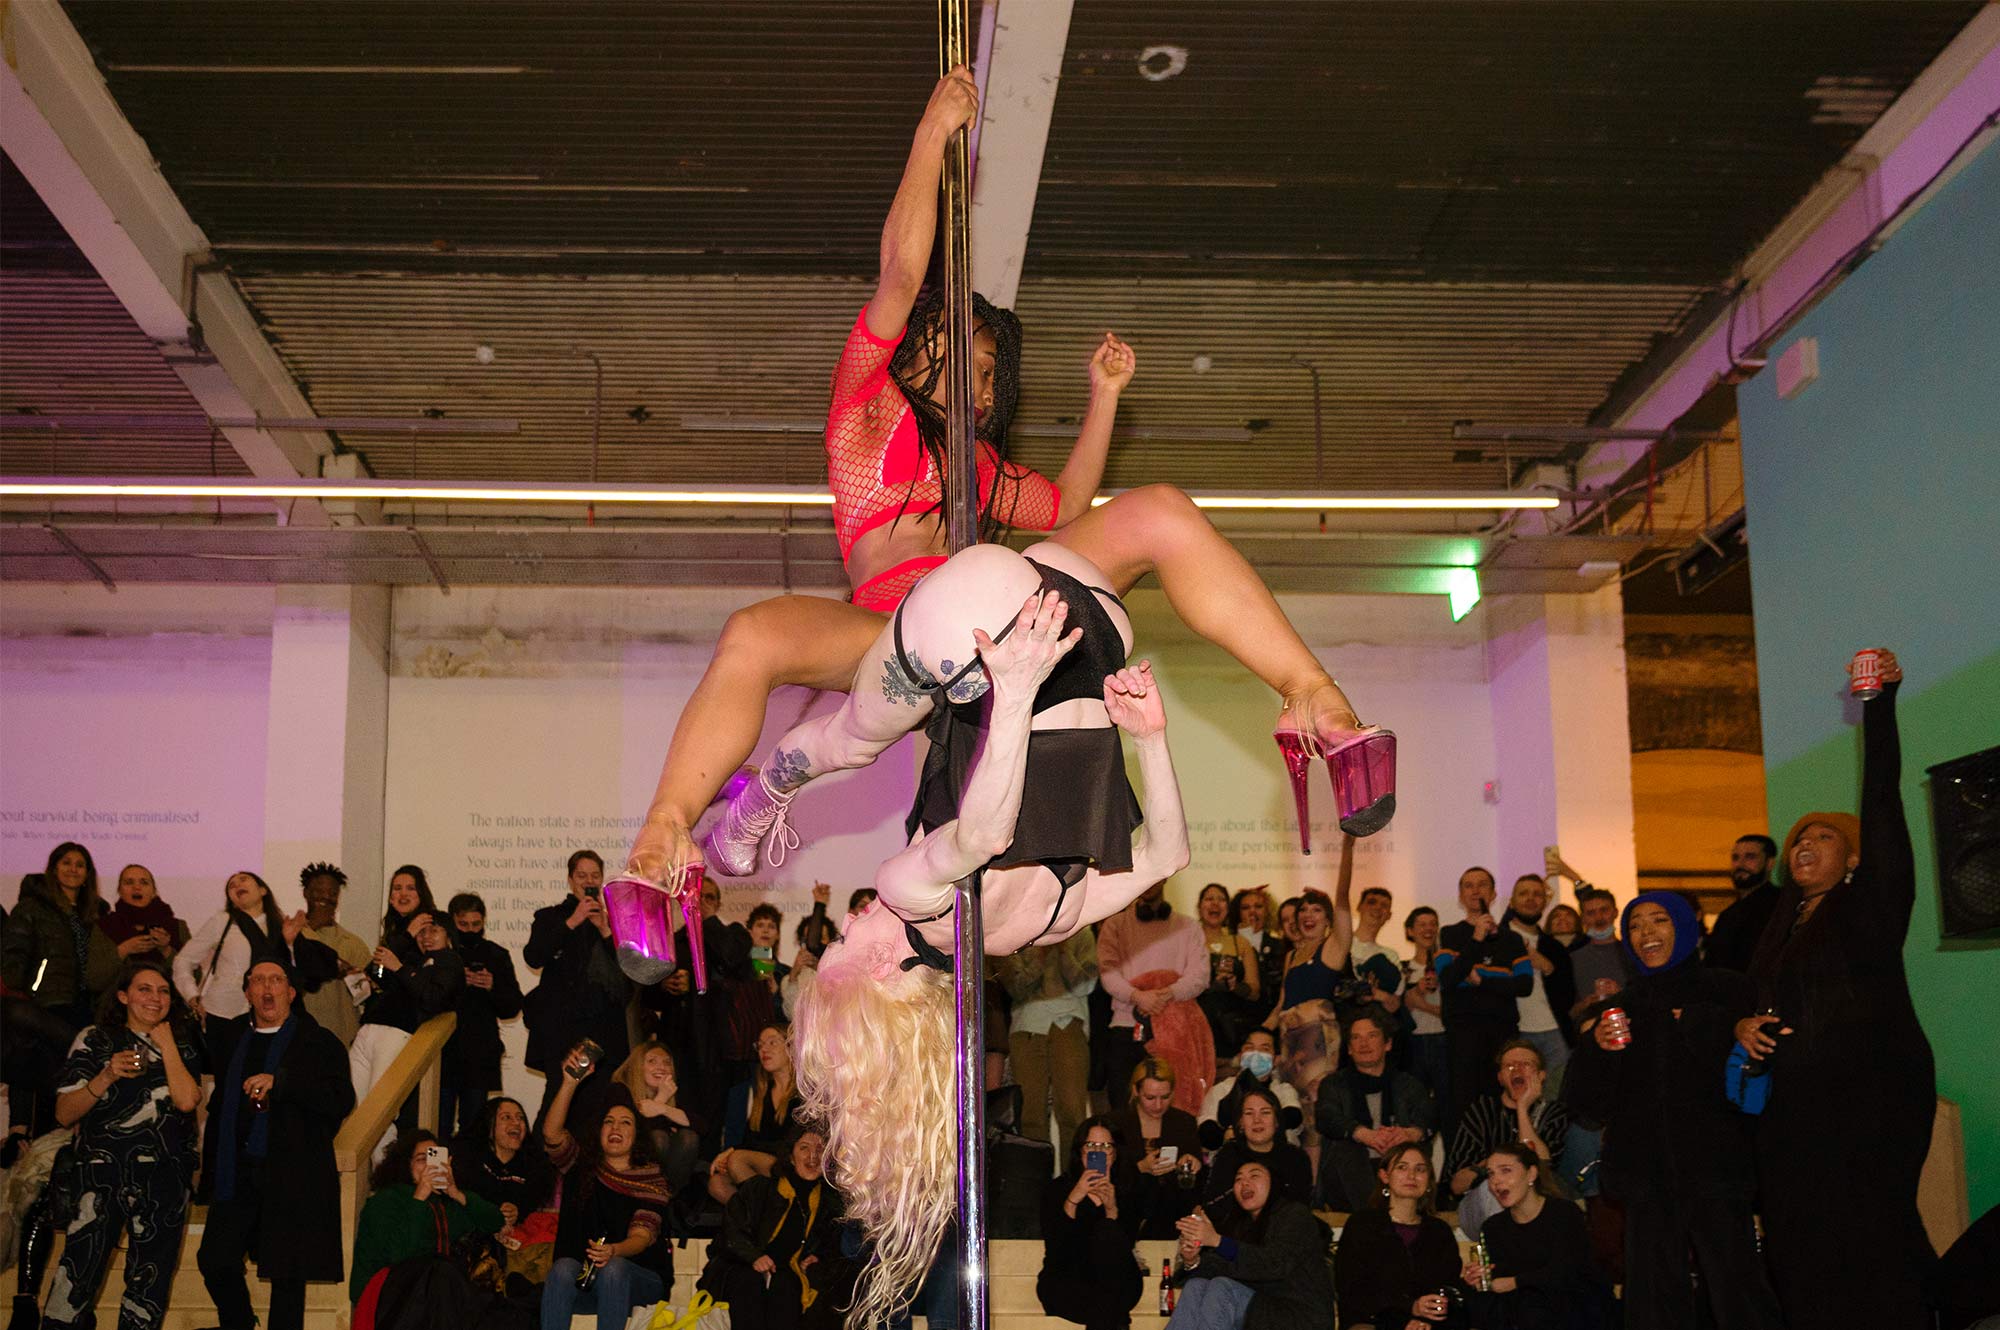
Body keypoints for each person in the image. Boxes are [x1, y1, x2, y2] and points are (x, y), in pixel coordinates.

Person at [622, 68, 1390, 898]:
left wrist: (1103, 400)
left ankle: (1311, 695)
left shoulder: (982, 471)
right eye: (967, 359)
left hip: (994, 620)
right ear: (917, 350)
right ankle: (669, 821)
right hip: (878, 629)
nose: (982, 386)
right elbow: (900, 279)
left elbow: (1061, 507)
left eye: (993, 375)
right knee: (754, 633)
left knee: (1160, 511)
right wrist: (930, 139)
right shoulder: (867, 417)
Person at [793, 588, 1189, 1329]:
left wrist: (1152, 738)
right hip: (1016, 637)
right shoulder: (904, 888)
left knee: (1156, 520)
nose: (848, 922)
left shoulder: (1021, 933)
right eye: (845, 942)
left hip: (1096, 642)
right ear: (880, 974)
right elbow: (980, 838)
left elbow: (1168, 853)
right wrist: (1012, 690)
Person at [1735, 649, 1935, 1330]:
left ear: (1852, 859)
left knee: (1872, 1239)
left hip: (1871, 1100)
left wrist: (1880, 707)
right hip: (1793, 1111)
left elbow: (1880, 798)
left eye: (1823, 838)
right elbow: (1758, 1001)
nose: (1805, 845)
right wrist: (1743, 1027)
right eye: (1797, 841)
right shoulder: (1778, 927)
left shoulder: (1871, 908)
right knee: (1796, 1245)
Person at [1564, 892, 1781, 1330]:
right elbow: (1587, 1106)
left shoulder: (1731, 991)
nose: (1647, 933)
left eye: (1659, 920)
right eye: (1637, 925)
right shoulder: (1617, 1009)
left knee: (1738, 1291)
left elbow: (1762, 1071)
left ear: (1684, 926)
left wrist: (1716, 1026)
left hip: (1717, 1169)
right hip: (1646, 1179)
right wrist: (1597, 1049)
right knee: (1652, 1300)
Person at [40, 958, 203, 1330]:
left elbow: (187, 1101)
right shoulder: (96, 1038)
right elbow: (65, 1113)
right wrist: (108, 1073)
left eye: (164, 991)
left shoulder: (182, 1045)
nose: (156, 998)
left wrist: (167, 1044)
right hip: (101, 1177)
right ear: (123, 996)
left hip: (165, 1180)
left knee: (149, 1287)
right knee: (76, 1278)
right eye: (145, 989)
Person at [197, 957, 356, 1330]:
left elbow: (340, 1099)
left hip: (291, 1175)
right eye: (258, 981)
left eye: (276, 981)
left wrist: (282, 1083)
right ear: (248, 993)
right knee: (215, 1260)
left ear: (291, 992)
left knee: (288, 1279)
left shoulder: (317, 1040)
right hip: (234, 1173)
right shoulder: (231, 1036)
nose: (268, 989)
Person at [540, 1046, 673, 1330]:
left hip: (640, 1284)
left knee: (614, 1268)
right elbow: (552, 1134)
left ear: (637, 1135)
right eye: (608, 1122)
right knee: (563, 1268)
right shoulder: (581, 1166)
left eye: (626, 1123)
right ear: (598, 1131)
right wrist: (569, 1083)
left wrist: (614, 1250)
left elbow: (642, 1236)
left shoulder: (651, 1178)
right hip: (588, 1285)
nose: (616, 1128)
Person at [1, 844, 119, 1137]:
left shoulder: (96, 912)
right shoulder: (32, 907)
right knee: (53, 1068)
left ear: (87, 873)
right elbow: (13, 953)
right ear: (54, 867)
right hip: (45, 1002)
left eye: (80, 865)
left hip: (85, 1004)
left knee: (67, 1074)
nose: (73, 869)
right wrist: (24, 986)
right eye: (66, 862)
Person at [174, 871, 333, 1078]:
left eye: (243, 880)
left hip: (271, 1016)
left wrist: (290, 943)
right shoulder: (223, 922)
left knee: (267, 1078)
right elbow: (183, 961)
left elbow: (297, 978)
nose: (236, 885)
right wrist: (192, 997)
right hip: (225, 1014)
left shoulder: (280, 925)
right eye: (231, 885)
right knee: (228, 1082)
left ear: (263, 890)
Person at [698, 1122, 853, 1330]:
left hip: (787, 1271)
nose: (813, 1156)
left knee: (788, 1286)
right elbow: (731, 1234)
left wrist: (818, 1257)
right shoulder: (759, 1189)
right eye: (804, 1148)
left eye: (820, 1149)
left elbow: (831, 1245)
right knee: (750, 1282)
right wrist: (754, 1257)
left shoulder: (828, 1203)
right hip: (741, 1265)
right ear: (790, 1156)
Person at [522, 850, 633, 1125]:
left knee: (599, 1109)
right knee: (556, 1105)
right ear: (571, 880)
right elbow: (533, 956)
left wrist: (606, 930)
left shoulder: (617, 921)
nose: (588, 881)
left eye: (595, 875)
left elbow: (631, 974)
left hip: (605, 1031)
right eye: (582, 876)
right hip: (561, 1031)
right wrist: (573, 920)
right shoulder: (551, 917)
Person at [1170, 1158, 1333, 1330]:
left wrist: (1217, 1241)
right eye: (1238, 1179)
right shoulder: (1239, 1224)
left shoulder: (1294, 1215)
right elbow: (1221, 1266)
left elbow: (1274, 1264)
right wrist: (1191, 1260)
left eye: (1254, 1176)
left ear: (1274, 1183)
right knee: (1196, 1286)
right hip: (1261, 1310)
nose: (1244, 1183)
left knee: (1222, 1287)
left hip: (1300, 1316)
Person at [348, 1127, 504, 1303]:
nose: (430, 1166)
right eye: (422, 1159)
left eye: (435, 1159)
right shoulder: (386, 1201)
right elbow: (397, 1256)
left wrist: (455, 1193)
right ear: (406, 1165)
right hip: (388, 1298)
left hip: (437, 1297)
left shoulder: (448, 1201)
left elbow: (495, 1221)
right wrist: (420, 1197)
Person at [1460, 1144, 1603, 1330]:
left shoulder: (1564, 1213)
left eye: (1506, 1171)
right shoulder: (1493, 1227)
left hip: (1569, 1307)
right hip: (1522, 1312)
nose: (1496, 1181)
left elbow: (1567, 1271)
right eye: (1491, 1174)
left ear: (1531, 1174)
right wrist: (1478, 1279)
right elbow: (1497, 1280)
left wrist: (1514, 1282)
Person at [1097, 882, 1210, 1111]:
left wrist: (1166, 994)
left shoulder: (1188, 926)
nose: (1149, 884)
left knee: (1174, 1105)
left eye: (1155, 877)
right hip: (1126, 1026)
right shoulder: (1115, 925)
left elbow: (1200, 976)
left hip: (1176, 1030)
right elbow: (1108, 973)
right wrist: (1138, 997)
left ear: (1166, 878)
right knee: (1123, 1106)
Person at [1333, 1141, 1466, 1330]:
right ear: (1384, 1176)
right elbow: (1352, 1290)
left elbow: (1449, 1289)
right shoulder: (1362, 1224)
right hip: (1374, 1322)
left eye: (1420, 1169)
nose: (1411, 1176)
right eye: (1402, 1168)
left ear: (1429, 1181)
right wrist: (1408, 1312)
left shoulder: (1439, 1231)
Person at [350, 907, 464, 1125]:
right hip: (368, 1030)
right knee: (353, 1106)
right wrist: (405, 936)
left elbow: (433, 997)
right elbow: (377, 973)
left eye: (434, 931)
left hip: (397, 1033)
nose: (426, 937)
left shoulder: (450, 961)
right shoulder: (411, 959)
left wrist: (401, 968)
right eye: (422, 932)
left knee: (379, 1109)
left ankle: (382, 1159)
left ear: (449, 935)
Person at [1313, 1006, 1435, 1211]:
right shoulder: (1333, 1084)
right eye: (1356, 1038)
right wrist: (1362, 1134)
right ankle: (1371, 1217)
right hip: (1350, 1172)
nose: (1364, 1044)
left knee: (1411, 1154)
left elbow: (1428, 1117)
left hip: (1396, 1164)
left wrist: (1409, 1133)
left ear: (1387, 1043)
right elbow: (1327, 1117)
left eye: (1372, 1036)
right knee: (1346, 1148)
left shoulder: (1408, 1084)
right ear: (1349, 1048)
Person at [1435, 866, 1529, 1130]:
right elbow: (1449, 978)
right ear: (1460, 896)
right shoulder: (1450, 934)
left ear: (1494, 893)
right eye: (1468, 885)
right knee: (1465, 1103)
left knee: (1505, 1100)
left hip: (1503, 1030)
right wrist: (1476, 939)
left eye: (1482, 885)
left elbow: (1524, 984)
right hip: (1463, 1031)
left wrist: (1481, 979)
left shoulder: (1511, 939)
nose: (1475, 890)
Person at [1444, 1041, 1567, 1238]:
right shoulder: (1481, 1111)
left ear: (1541, 1076)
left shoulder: (1554, 1113)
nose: (1517, 1069)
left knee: (1525, 1185)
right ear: (1500, 1078)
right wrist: (1495, 1168)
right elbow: (1457, 1184)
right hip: (1481, 1206)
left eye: (1526, 1064)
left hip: (1538, 1206)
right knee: (1498, 1184)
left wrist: (1522, 1109)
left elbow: (1542, 1164)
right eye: (1509, 1066)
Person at [993, 929, 1097, 1157]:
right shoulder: (1016, 931)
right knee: (1030, 1115)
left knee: (1073, 1112)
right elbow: (1015, 988)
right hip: (1027, 1026)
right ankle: (1035, 1185)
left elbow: (1086, 986)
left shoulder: (1082, 930)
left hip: (1069, 1022)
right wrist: (1040, 955)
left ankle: (1076, 1182)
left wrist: (1062, 952)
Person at [1037, 1117, 1142, 1330]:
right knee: (1109, 1306)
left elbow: (1126, 1246)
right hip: (1068, 1280)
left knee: (1107, 1231)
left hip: (1117, 1280)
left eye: (1106, 1146)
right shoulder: (1058, 1189)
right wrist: (1073, 1199)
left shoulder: (1128, 1189)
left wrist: (1112, 1209)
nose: (1099, 1151)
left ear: (1115, 1152)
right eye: (1091, 1146)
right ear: (1080, 1151)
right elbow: (1057, 1248)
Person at [443, 891, 523, 1139]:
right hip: (443, 1051)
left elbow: (512, 1007)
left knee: (474, 1128)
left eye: (476, 925)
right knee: (438, 1125)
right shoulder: (442, 956)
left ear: (484, 922)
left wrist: (492, 986)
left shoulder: (496, 955)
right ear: (452, 922)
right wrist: (456, 980)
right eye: (463, 925)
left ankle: (467, 1175)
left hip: (479, 1053)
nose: (470, 930)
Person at [1112, 1058, 1206, 1239]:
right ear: (1135, 1091)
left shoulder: (1183, 1122)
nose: (1158, 1105)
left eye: (1165, 1097)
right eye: (1150, 1098)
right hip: (1125, 1210)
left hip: (1172, 1213)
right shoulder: (1115, 1124)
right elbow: (1107, 1176)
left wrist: (1193, 1165)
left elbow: (1197, 1181)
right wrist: (1140, 1168)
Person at [712, 1022, 801, 1204]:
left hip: (792, 1164)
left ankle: (762, 1220)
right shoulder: (755, 1091)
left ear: (792, 1046)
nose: (764, 1050)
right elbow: (747, 1139)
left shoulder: (805, 1091)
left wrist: (734, 1153)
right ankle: (763, 1221)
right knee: (717, 1183)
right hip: (760, 1166)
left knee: (737, 1160)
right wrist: (729, 1152)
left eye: (772, 1042)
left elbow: (795, 1142)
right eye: (760, 1045)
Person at [1501, 874, 1575, 1084]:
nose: (1530, 898)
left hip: (1555, 1033)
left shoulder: (1555, 948)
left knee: (1559, 1097)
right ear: (1512, 902)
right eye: (1523, 893)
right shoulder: (1497, 941)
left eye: (1537, 894)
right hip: (1515, 1033)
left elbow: (1568, 997)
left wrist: (1548, 968)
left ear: (1544, 902)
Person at [614, 1039, 703, 1191]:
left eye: (667, 1063)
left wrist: (662, 1108)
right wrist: (661, 1099)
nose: (661, 1067)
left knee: (689, 1138)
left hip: (671, 1179)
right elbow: (638, 1132)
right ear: (638, 1066)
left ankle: (665, 1196)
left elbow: (701, 1126)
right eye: (652, 1061)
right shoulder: (621, 1090)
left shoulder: (674, 1091)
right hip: (629, 1162)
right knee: (658, 1138)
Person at [297, 863, 371, 1047]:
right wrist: (310, 927)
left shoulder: (352, 943)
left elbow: (365, 996)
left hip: (342, 1039)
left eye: (332, 893)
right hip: (299, 1037)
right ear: (306, 893)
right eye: (318, 891)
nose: (326, 897)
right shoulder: (290, 938)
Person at [1202, 1086, 1312, 1209]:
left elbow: (1300, 1207)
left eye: (1265, 1112)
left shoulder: (1296, 1158)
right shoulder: (1228, 1155)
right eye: (1249, 1113)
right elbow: (1214, 1205)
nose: (1257, 1120)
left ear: (1276, 1121)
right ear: (1240, 1123)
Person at [1193, 883, 1263, 1056]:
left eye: (1221, 900)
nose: (1215, 904)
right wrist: (1209, 985)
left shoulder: (1241, 943)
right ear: (1199, 907)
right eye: (1209, 899)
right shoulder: (1188, 942)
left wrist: (1235, 986)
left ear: (1228, 908)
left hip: (1234, 1029)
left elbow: (1254, 991)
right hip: (1197, 1024)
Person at [1197, 1029, 1301, 1144]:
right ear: (1240, 1055)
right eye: (1249, 1048)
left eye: (1264, 1049)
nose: (1256, 1054)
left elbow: (1293, 1117)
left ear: (1276, 1059)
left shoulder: (1284, 1090)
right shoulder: (1220, 1090)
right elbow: (1207, 1131)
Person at [1703, 834, 1780, 973]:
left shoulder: (1782, 905)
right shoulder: (1726, 916)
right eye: (1735, 858)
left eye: (1750, 857)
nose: (1740, 864)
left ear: (1770, 863)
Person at [1400, 907, 1449, 1108]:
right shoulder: (1403, 969)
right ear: (1410, 931)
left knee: (1446, 1103)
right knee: (1415, 1104)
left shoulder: (1447, 967)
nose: (1428, 929)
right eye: (1422, 924)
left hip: (1444, 1041)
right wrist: (1417, 994)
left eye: (1433, 924)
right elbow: (1401, 1009)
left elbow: (1454, 1010)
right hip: (1414, 1045)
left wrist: (1420, 1003)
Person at [95, 863, 188, 965]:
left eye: (144, 882)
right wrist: (123, 950)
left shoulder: (177, 927)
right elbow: (93, 976)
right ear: (119, 891)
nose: (136, 887)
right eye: (129, 882)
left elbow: (196, 975)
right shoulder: (103, 926)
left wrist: (166, 950)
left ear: (153, 892)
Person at [1562, 889, 1629, 1027]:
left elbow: (1650, 998)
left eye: (1604, 910)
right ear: (1583, 918)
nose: (1599, 918)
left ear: (1615, 912)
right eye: (1591, 913)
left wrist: (1621, 994)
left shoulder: (1633, 954)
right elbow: (1564, 1013)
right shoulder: (1571, 960)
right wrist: (1585, 1004)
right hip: (1588, 1033)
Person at [1228, 887, 1286, 1007]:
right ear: (1237, 913)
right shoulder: (1229, 944)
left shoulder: (1279, 945)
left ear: (1267, 911)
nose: (1252, 911)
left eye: (1258, 906)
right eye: (1245, 908)